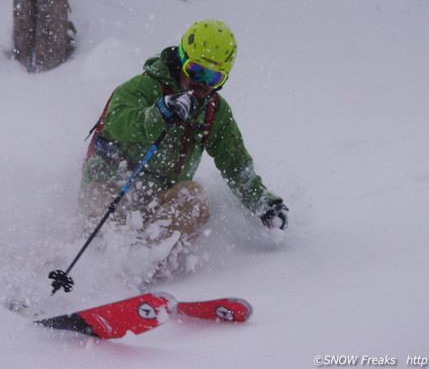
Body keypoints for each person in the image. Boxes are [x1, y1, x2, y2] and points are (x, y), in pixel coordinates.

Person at [78, 19, 288, 280]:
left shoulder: (214, 112)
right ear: (181, 59)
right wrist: (160, 113)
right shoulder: (142, 88)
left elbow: (235, 164)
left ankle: (143, 272)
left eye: (213, 77)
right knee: (106, 206)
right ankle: (102, 273)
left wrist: (263, 203)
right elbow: (118, 122)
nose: (202, 83)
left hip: (161, 200)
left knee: (194, 196)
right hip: (113, 184)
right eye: (196, 70)